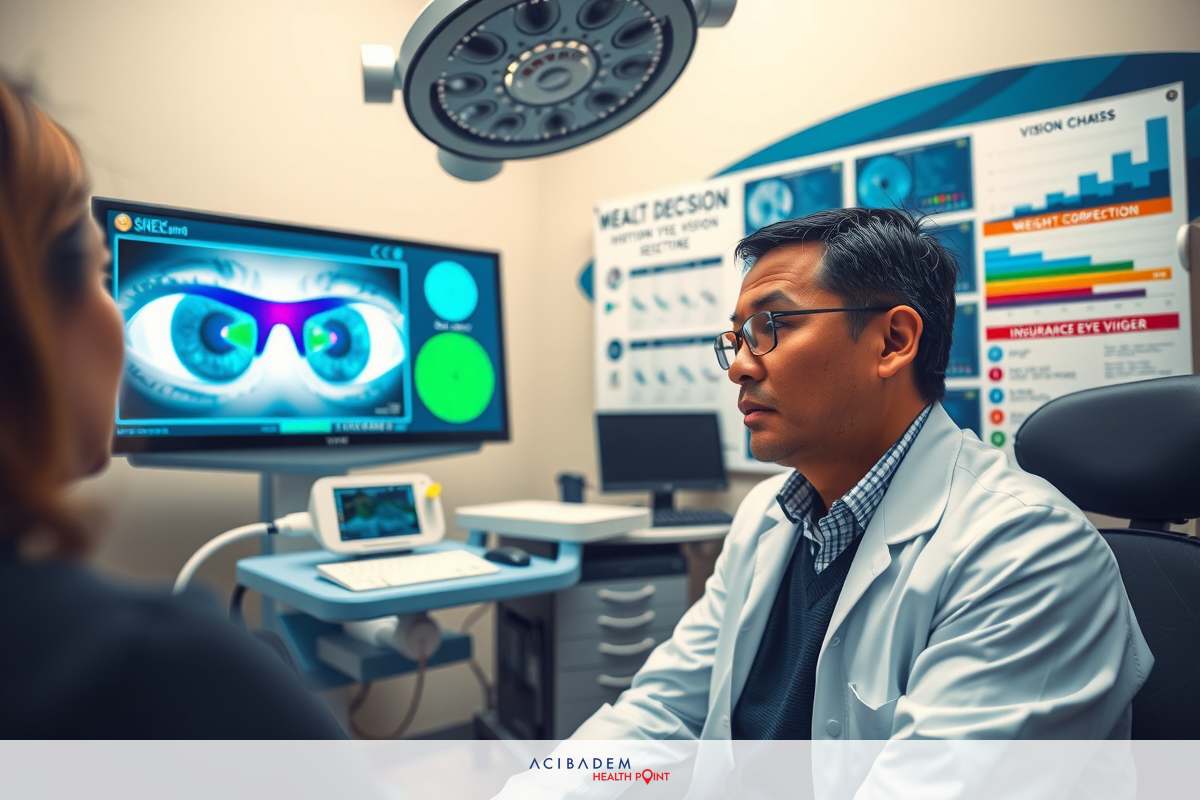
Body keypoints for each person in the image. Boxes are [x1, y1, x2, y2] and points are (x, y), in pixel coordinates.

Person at [570, 208, 1152, 741]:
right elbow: (662, 713)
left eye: (772, 325)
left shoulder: (1028, 552)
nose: (741, 366)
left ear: (893, 341)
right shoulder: (766, 515)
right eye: (738, 337)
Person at [0, 77, 345, 738]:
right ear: (26, 314)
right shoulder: (165, 668)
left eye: (338, 340)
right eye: (105, 276)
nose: (118, 320)